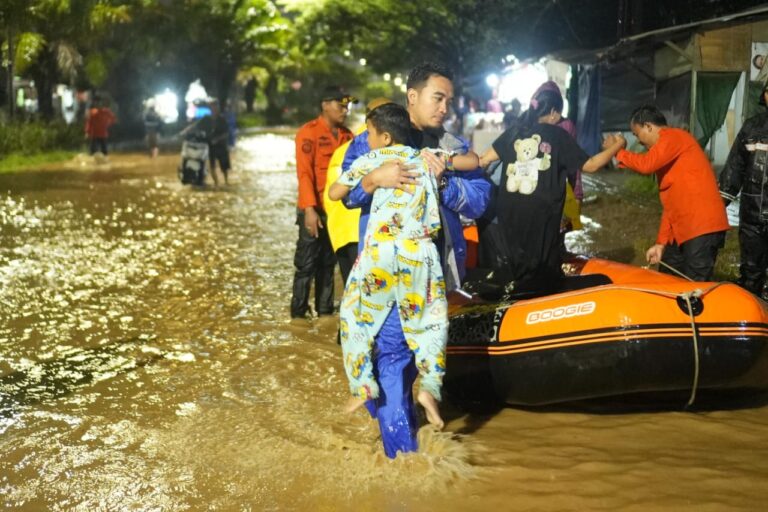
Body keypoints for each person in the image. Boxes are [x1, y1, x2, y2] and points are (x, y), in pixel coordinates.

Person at [339, 62, 491, 458]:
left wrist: (441, 181)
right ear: (412, 97)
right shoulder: (372, 139)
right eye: (437, 98)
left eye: (449, 101)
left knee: (416, 359)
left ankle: (399, 448)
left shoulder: (452, 147)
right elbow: (346, 194)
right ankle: (403, 465)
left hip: (432, 273)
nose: (445, 108)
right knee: (393, 363)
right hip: (385, 272)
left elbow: (481, 199)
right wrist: (375, 179)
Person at [330, 103, 450, 429]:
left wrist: (369, 177)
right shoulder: (427, 158)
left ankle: (362, 385)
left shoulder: (371, 159)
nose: (365, 139)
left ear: (383, 137)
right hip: (420, 253)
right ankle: (429, 389)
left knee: (354, 317)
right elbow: (473, 161)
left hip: (379, 253)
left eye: (368, 133)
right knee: (433, 323)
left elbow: (335, 193)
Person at [479, 87, 625, 283]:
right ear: (554, 112)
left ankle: (513, 297)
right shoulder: (558, 135)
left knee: (517, 262)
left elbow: (484, 160)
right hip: (542, 211)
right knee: (544, 266)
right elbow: (591, 165)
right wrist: (618, 145)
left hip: (508, 209)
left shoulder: (515, 131)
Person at [615, 105, 729, 281]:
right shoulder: (667, 155)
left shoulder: (673, 136)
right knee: (667, 279)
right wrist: (661, 243)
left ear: (649, 127)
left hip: (702, 227)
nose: (638, 141)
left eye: (637, 134)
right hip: (683, 228)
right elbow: (671, 206)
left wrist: (618, 152)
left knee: (694, 287)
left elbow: (646, 165)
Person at [290, 86, 356, 319]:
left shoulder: (349, 137)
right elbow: (304, 174)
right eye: (341, 105)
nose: (345, 110)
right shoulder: (308, 134)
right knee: (306, 265)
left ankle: (325, 312)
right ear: (325, 105)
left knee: (329, 264)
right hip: (314, 209)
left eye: (347, 106)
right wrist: (309, 210)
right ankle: (298, 314)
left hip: (336, 212)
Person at [719, 83, 768, 296]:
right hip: (752, 213)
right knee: (751, 270)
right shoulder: (751, 127)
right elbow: (735, 167)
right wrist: (719, 203)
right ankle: (752, 316)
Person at [197, 99, 231, 186]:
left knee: (224, 167)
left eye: (216, 107)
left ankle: (226, 182)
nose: (215, 109)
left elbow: (226, 133)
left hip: (221, 146)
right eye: (213, 107)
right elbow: (196, 126)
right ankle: (216, 183)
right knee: (212, 166)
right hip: (211, 146)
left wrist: (218, 139)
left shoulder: (222, 119)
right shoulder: (206, 119)